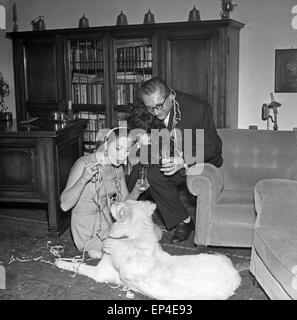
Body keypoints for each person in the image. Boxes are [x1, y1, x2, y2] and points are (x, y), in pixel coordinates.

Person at [127, 77, 223, 243]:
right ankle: (183, 220)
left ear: (171, 96)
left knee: (153, 172)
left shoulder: (198, 108)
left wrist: (184, 160)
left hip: (199, 160)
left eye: (159, 106)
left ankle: (126, 212)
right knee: (142, 170)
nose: (156, 113)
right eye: (151, 108)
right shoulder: (150, 108)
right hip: (168, 152)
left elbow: (213, 146)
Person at [60, 127, 160, 259]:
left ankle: (109, 252)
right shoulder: (84, 164)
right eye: (118, 149)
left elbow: (124, 202)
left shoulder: (117, 167)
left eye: (127, 150)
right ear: (106, 144)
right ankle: (103, 250)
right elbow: (64, 205)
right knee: (137, 244)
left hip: (109, 223)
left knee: (156, 232)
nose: (122, 155)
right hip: (88, 231)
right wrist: (84, 179)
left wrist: (136, 190)